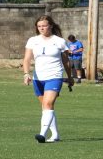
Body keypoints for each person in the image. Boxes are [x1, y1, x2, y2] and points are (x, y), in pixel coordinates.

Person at [23, 15, 74, 143]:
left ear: (50, 25)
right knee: (46, 107)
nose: (41, 28)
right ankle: (55, 135)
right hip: (38, 78)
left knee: (47, 104)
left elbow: (66, 61)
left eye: (44, 25)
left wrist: (69, 77)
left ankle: (42, 134)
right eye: (39, 26)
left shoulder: (60, 41)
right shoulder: (32, 40)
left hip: (54, 76)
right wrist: (26, 73)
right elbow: (27, 59)